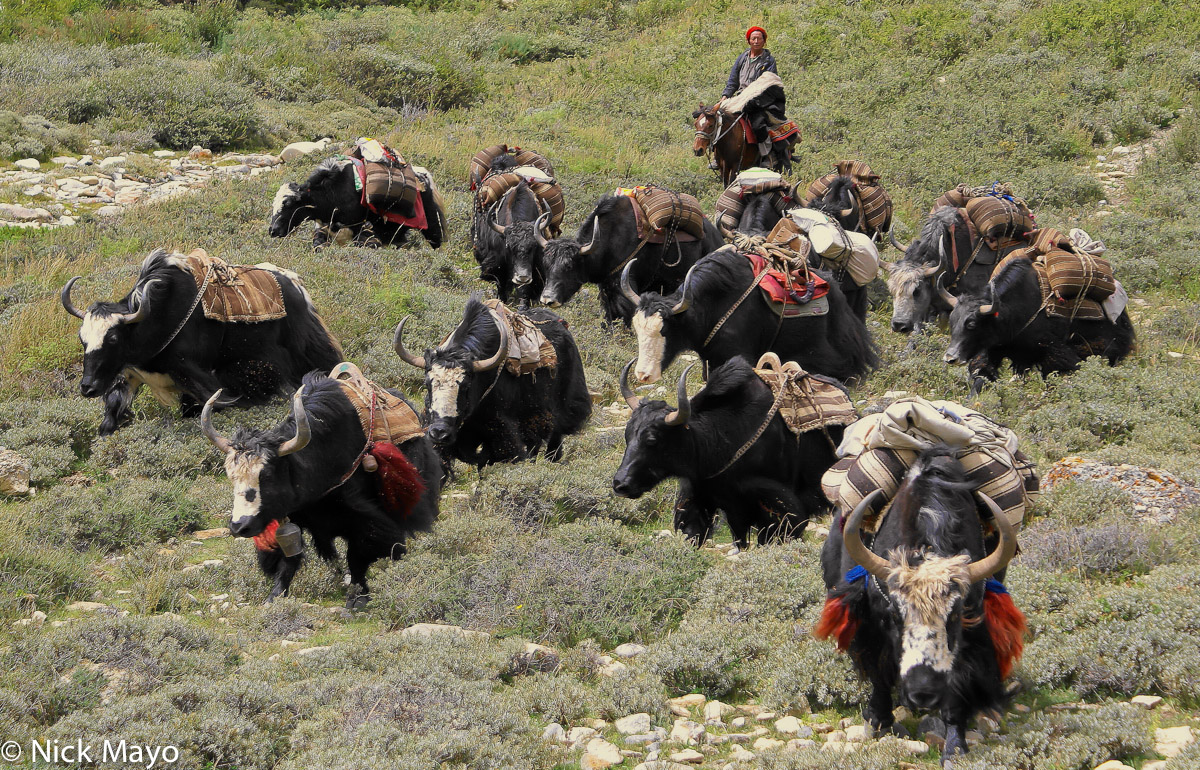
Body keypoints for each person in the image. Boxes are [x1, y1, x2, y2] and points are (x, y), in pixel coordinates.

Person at [719, 26, 787, 164]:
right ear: (748, 41)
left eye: (759, 38)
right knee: (719, 120)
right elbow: (733, 80)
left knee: (758, 124)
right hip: (740, 97)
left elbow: (769, 82)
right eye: (753, 38)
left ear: (764, 41)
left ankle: (767, 155)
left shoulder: (768, 61)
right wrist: (726, 96)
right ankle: (718, 155)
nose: (756, 41)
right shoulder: (742, 58)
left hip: (760, 98)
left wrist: (753, 98)